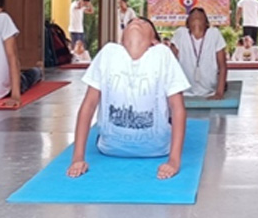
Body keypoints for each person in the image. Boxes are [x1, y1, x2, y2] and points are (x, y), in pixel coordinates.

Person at [67, 17, 189, 180]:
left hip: (157, 148)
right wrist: (78, 158)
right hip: (109, 147)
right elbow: (88, 105)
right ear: (122, 39)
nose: (137, 21)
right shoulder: (109, 53)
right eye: (131, 22)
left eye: (143, 23)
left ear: (154, 41)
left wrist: (173, 161)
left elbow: (178, 108)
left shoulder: (162, 54)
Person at [171, 7, 228, 99]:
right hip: (185, 89)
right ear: (187, 23)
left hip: (210, 89)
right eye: (193, 18)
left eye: (200, 18)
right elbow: (170, 63)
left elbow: (222, 66)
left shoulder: (214, 34)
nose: (196, 19)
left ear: (206, 23)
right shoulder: (181, 33)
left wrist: (219, 93)